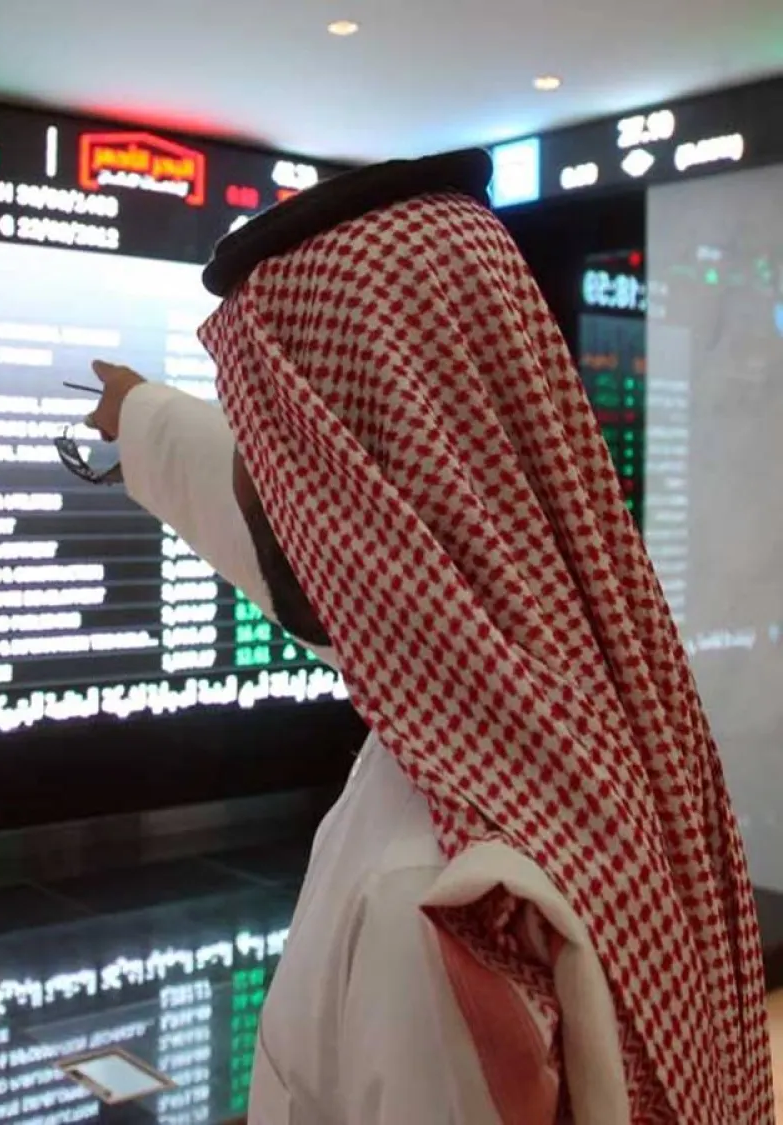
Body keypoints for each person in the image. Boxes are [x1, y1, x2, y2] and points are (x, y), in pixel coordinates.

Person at [82, 151, 772, 1124]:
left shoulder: (434, 903)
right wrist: (146, 419)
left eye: (278, 450)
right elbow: (321, 563)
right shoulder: (575, 694)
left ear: (353, 488)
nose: (259, 481)